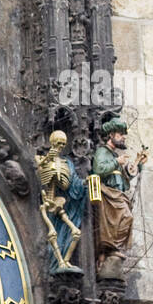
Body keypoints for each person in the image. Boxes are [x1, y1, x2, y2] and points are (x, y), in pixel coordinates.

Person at [92, 117, 147, 279]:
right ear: (111, 135)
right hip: (108, 196)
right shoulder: (103, 152)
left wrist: (138, 164)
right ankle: (108, 250)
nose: (123, 137)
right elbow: (98, 170)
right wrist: (117, 161)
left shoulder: (113, 155)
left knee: (126, 218)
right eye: (121, 134)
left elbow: (122, 179)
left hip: (117, 195)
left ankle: (111, 250)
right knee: (125, 217)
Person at [37, 130, 86, 273]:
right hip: (48, 202)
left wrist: (84, 183)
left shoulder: (67, 163)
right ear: (52, 143)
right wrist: (47, 159)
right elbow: (39, 174)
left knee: (76, 232)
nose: (60, 147)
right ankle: (58, 262)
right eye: (58, 143)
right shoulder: (40, 158)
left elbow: (72, 183)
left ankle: (65, 260)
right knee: (53, 234)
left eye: (63, 144)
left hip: (61, 201)